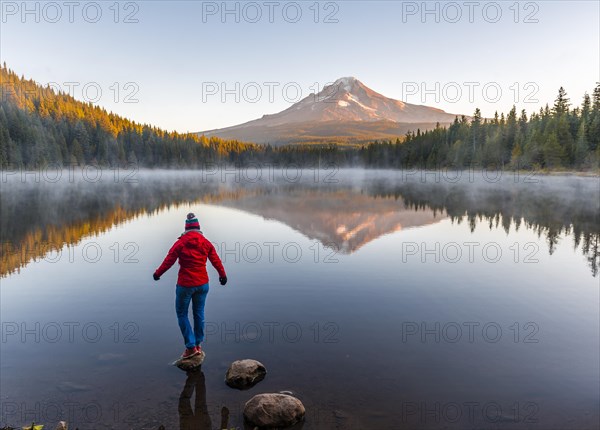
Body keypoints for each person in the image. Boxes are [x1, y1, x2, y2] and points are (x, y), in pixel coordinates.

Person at [153, 212, 227, 359]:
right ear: (199, 228)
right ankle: (198, 344)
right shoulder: (206, 243)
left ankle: (191, 347)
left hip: (185, 285)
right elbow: (216, 261)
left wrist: (157, 274)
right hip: (202, 284)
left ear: (186, 228)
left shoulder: (180, 243)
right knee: (199, 313)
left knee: (182, 314)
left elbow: (169, 260)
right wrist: (222, 275)